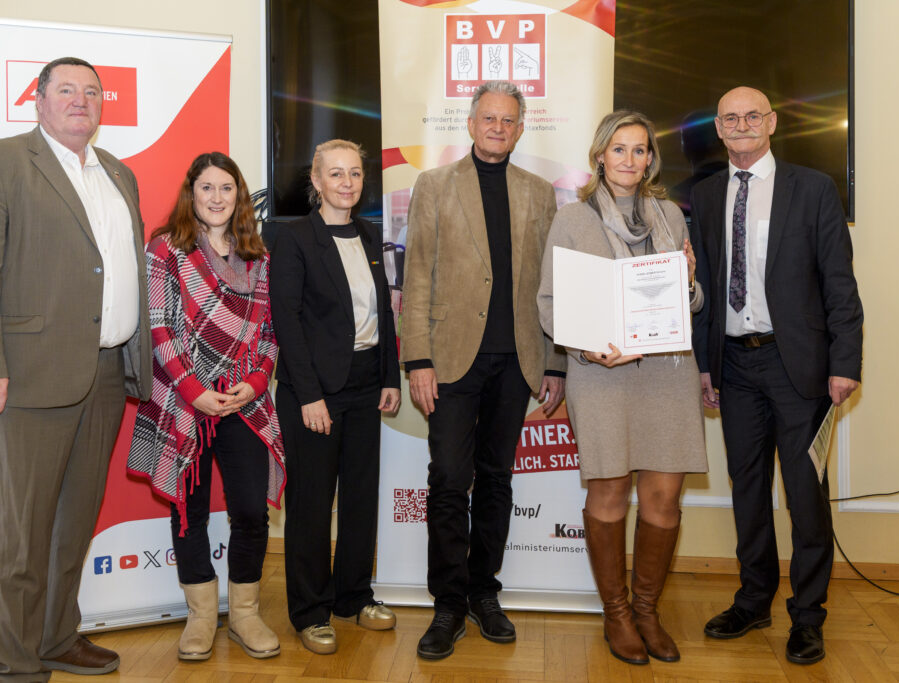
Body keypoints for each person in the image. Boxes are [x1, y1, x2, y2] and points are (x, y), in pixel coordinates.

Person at [0, 57, 152, 680]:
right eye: (66, 90)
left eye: (92, 91)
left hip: (107, 375)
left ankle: (58, 635)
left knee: (73, 525)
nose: (80, 100)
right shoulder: (0, 162)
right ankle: (14, 660)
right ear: (38, 100)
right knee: (20, 534)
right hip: (26, 378)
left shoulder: (120, 173)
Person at [691, 86, 863, 665]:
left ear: (771, 122)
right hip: (734, 366)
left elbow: (840, 284)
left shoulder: (812, 188)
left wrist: (845, 364)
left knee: (806, 496)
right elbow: (707, 290)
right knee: (747, 490)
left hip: (801, 370)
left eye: (752, 116)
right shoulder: (707, 193)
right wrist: (704, 364)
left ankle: (808, 615)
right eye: (730, 118)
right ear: (718, 128)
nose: (741, 125)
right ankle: (754, 598)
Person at [401, 80, 566, 661]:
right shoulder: (434, 185)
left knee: (496, 480)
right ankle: (447, 604)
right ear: (470, 124)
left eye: (509, 120)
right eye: (488, 118)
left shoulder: (540, 193)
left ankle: (483, 592)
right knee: (449, 478)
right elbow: (416, 272)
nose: (498, 127)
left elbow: (553, 288)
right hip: (448, 360)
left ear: (521, 129)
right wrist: (416, 357)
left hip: (516, 361)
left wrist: (555, 362)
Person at [536, 110, 707, 665]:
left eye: (640, 150)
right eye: (619, 149)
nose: (629, 160)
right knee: (608, 493)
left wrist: (689, 283)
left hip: (667, 373)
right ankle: (616, 613)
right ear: (599, 156)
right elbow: (549, 303)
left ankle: (648, 609)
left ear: (651, 158)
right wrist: (585, 348)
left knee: (663, 498)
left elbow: (691, 301)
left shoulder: (670, 218)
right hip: (600, 375)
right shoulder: (572, 220)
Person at [127, 152, 286, 662]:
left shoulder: (257, 254)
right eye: (207, 189)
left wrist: (258, 380)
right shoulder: (165, 249)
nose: (217, 198)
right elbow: (160, 328)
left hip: (243, 400)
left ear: (239, 196)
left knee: (250, 513)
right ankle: (199, 616)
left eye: (226, 188)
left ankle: (243, 613)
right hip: (185, 401)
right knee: (188, 513)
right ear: (190, 194)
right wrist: (194, 389)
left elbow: (268, 331)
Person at [270, 139, 402, 655]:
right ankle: (310, 611)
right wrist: (308, 395)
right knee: (311, 503)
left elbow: (384, 315)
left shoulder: (370, 234)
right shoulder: (295, 238)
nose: (347, 183)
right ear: (317, 181)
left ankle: (353, 597)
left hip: (368, 384)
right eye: (336, 174)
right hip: (315, 392)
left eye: (354, 174)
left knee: (360, 498)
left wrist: (391, 376)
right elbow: (288, 322)